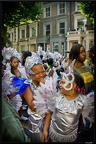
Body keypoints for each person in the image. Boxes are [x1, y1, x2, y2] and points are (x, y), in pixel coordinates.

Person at [41, 72, 94, 142]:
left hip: (70, 137)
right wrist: (45, 130)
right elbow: (49, 112)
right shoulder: (56, 97)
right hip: (54, 134)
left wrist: (76, 130)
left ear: (73, 86)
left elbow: (80, 117)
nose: (60, 84)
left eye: (63, 82)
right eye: (60, 82)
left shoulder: (83, 101)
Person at [23, 53, 52, 142]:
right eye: (37, 73)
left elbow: (50, 106)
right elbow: (32, 106)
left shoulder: (47, 82)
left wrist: (45, 129)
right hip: (36, 123)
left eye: (42, 71)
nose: (41, 75)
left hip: (48, 120)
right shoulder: (27, 86)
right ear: (30, 74)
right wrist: (42, 88)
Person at [2, 56, 28, 120]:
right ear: (11, 63)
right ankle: (15, 118)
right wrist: (8, 93)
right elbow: (6, 83)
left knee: (20, 104)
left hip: (20, 90)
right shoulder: (8, 73)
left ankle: (20, 116)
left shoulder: (21, 71)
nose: (16, 63)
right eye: (14, 62)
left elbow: (24, 79)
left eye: (17, 62)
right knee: (14, 106)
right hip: (12, 91)